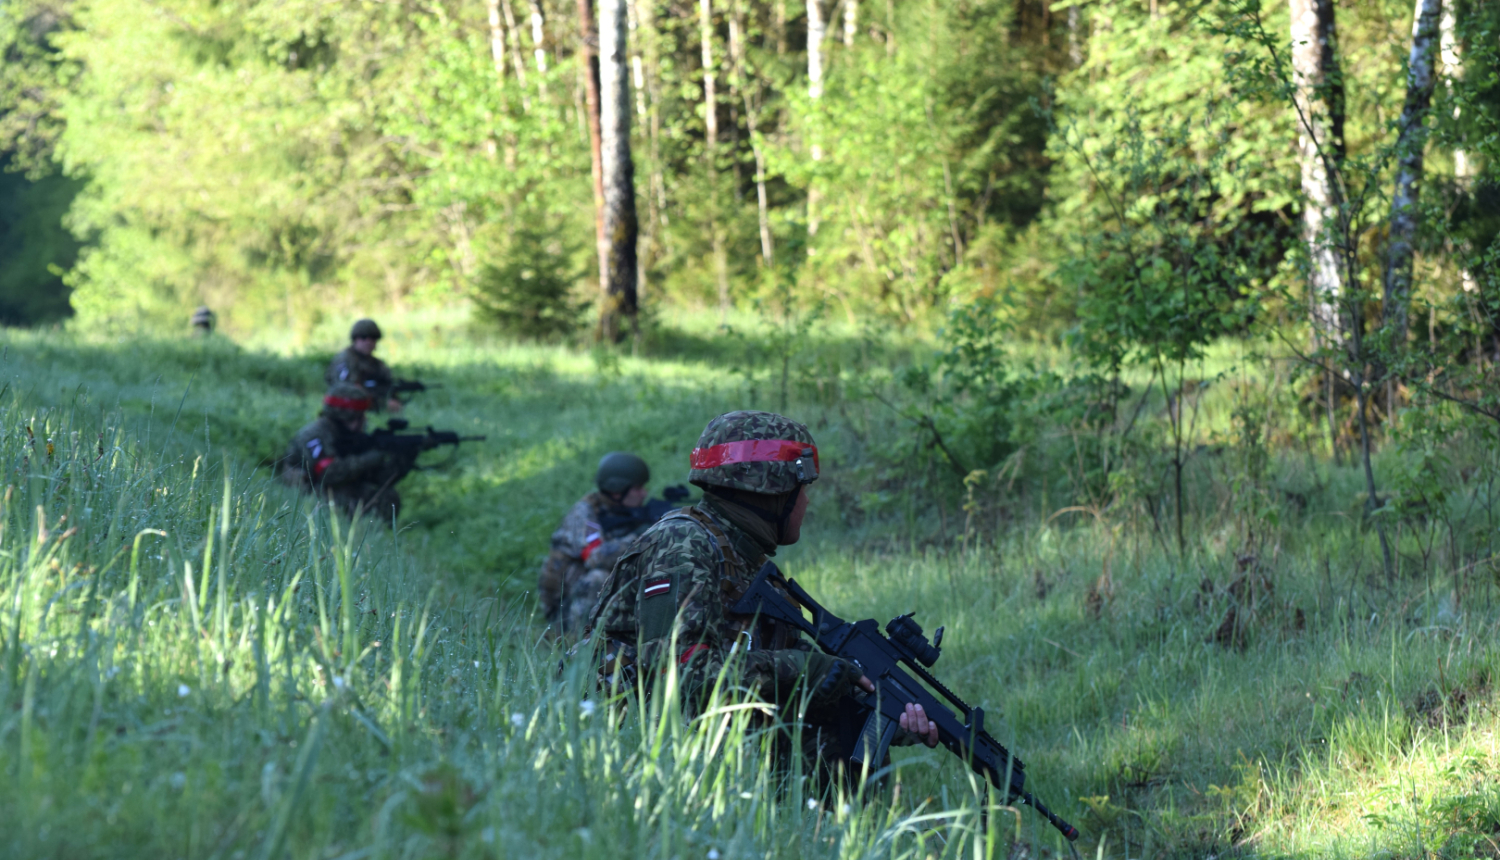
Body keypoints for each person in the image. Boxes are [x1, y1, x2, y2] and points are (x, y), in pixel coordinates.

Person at [587, 411, 938, 788]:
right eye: (801, 491)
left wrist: (891, 712)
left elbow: (794, 675)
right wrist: (805, 668)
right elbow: (677, 672)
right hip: (628, 746)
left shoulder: (745, 563)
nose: (806, 503)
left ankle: (828, 839)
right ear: (771, 492)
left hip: (696, 736)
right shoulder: (683, 546)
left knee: (839, 731)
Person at [540, 452, 659, 639]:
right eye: (637, 488)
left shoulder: (619, 511)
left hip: (585, 601)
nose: (644, 493)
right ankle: (579, 645)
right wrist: (641, 538)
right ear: (617, 489)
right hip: (564, 611)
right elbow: (596, 557)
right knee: (600, 578)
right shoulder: (585, 513)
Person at [281, 383, 411, 523]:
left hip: (334, 489)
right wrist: (373, 457)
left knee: (388, 497)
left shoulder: (349, 436)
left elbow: (377, 478)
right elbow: (328, 474)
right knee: (343, 500)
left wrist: (401, 461)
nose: (363, 421)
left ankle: (375, 535)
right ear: (344, 416)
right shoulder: (314, 436)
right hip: (308, 495)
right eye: (358, 416)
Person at [326, 319, 401, 413]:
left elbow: (389, 384)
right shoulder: (345, 359)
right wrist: (382, 403)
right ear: (355, 339)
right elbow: (348, 390)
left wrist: (392, 397)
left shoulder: (377, 363)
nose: (368, 342)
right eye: (363, 337)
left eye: (373, 338)